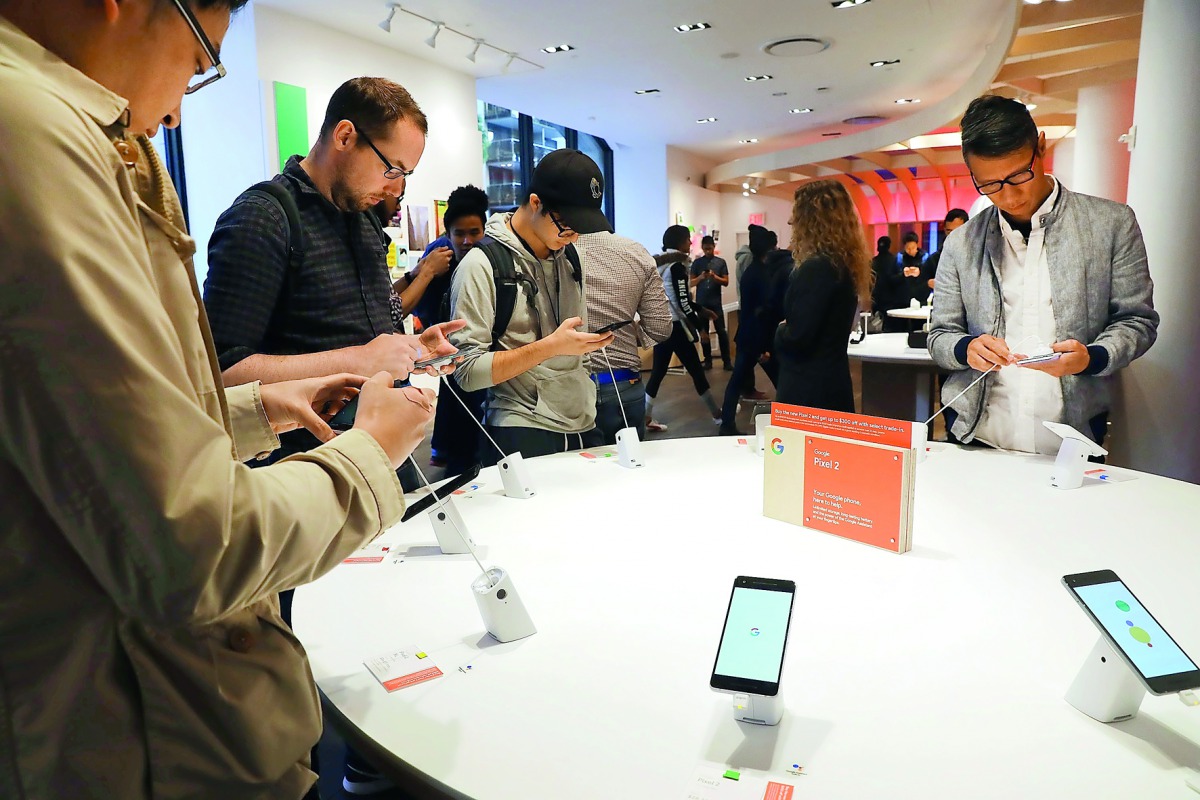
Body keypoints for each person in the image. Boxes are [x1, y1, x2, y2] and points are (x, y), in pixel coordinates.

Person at [0, 3, 436, 799]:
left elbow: (141, 409)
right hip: (155, 715)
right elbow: (184, 525)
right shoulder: (40, 134)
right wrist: (367, 442)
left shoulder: (359, 230)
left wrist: (267, 407)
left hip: (269, 541)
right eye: (200, 56)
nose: (174, 107)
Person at [202, 75, 462, 796]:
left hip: (375, 478)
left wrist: (413, 341)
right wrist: (358, 359)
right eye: (392, 166)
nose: (395, 184)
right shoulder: (262, 220)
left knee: (379, 644)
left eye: (406, 172)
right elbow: (220, 375)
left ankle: (375, 765)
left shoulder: (357, 223)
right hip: (296, 496)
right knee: (297, 682)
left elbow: (369, 335)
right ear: (344, 136)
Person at [929, 94, 1159, 453]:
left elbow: (1137, 321)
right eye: (989, 184)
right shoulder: (961, 243)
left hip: (1072, 439)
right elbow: (940, 334)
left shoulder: (1110, 224)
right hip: (979, 436)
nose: (1008, 196)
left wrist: (1092, 356)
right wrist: (966, 348)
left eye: (1019, 175)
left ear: (1040, 147)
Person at [450, 149, 614, 464]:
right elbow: (467, 372)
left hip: (585, 421)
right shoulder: (481, 265)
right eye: (566, 225)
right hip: (521, 428)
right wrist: (550, 347)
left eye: (581, 227)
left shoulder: (570, 256)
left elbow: (578, 349)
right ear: (536, 203)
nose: (573, 236)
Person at [774, 181, 873, 412]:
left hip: (808, 390)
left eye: (796, 213)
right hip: (831, 383)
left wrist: (781, 330)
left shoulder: (817, 268)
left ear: (812, 218)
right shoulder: (842, 265)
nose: (791, 221)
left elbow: (798, 338)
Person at [413, 186, 491, 476]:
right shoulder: (438, 258)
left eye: (475, 232)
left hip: (480, 354)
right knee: (457, 407)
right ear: (448, 233)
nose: (468, 241)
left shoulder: (491, 260)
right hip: (447, 354)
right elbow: (420, 307)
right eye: (460, 234)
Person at [576, 231, 672, 444]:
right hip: (621, 381)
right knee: (626, 468)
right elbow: (660, 328)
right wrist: (625, 331)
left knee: (573, 471)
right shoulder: (635, 251)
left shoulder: (549, 251)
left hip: (564, 386)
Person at [644, 224, 723, 431]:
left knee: (658, 372)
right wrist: (701, 328)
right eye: (688, 239)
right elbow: (683, 302)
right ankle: (717, 415)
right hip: (676, 327)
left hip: (662, 325)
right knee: (696, 371)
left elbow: (676, 298)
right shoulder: (677, 267)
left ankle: (644, 416)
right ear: (680, 242)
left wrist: (702, 310)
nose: (690, 243)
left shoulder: (659, 265)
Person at [718, 227, 781, 434]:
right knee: (780, 380)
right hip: (756, 338)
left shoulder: (753, 272)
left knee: (737, 382)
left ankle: (727, 424)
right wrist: (763, 346)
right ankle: (794, 420)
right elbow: (761, 312)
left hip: (749, 336)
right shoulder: (760, 274)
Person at [690, 235, 733, 370]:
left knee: (721, 332)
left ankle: (727, 361)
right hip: (701, 302)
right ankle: (707, 360)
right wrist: (701, 277)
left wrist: (715, 277)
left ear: (714, 247)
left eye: (710, 248)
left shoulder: (721, 262)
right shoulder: (697, 264)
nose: (708, 251)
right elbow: (690, 283)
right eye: (705, 249)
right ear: (702, 248)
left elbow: (726, 282)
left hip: (715, 303)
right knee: (704, 332)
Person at [923, 207, 969, 291]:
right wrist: (928, 284)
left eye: (957, 231)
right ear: (944, 230)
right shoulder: (934, 259)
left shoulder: (977, 256)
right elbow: (918, 290)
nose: (952, 236)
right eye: (949, 231)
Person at [897, 230, 929, 305]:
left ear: (917, 245)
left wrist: (919, 272)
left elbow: (928, 274)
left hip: (921, 294)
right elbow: (894, 277)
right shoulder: (900, 257)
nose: (911, 250)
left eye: (913, 247)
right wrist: (903, 274)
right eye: (908, 248)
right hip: (904, 295)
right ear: (904, 246)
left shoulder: (924, 256)